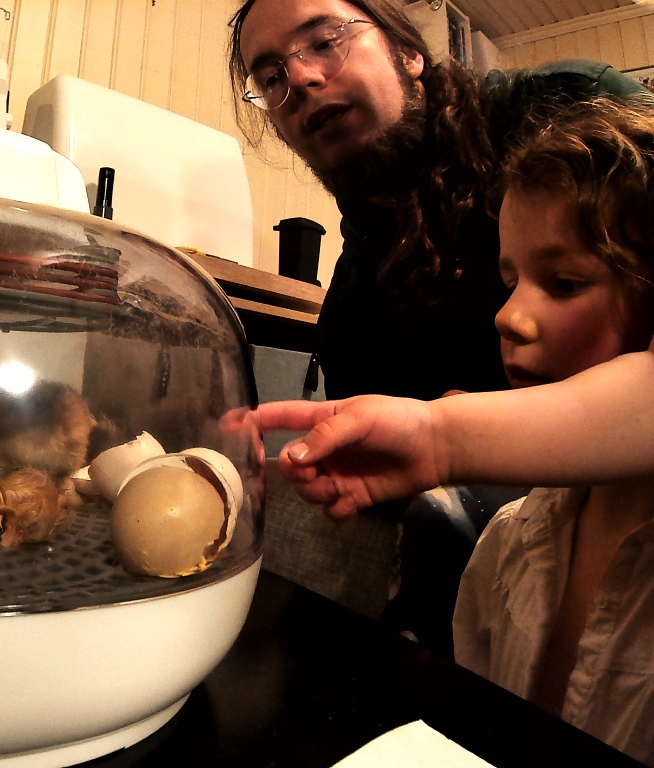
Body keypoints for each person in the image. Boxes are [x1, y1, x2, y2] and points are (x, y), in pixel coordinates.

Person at [260, 98, 654, 764]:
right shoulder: (510, 546)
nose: (508, 315)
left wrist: (439, 437)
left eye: (563, 283)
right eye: (510, 281)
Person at [229, 0, 654, 403]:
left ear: (407, 54)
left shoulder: (572, 106)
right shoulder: (350, 330)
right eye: (271, 79)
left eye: (325, 42)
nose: (299, 79)